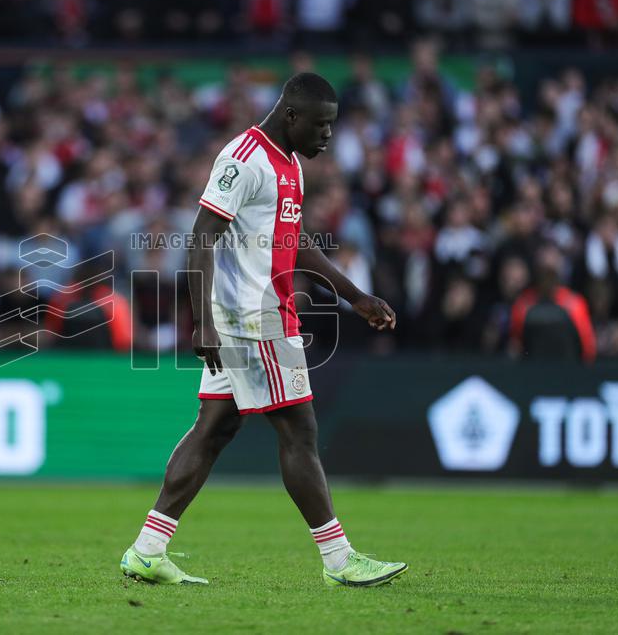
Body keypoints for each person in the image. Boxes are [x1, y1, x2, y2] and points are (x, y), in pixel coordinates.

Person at [119, 73, 407, 588]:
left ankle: (147, 549)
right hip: (253, 317)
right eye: (320, 125)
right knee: (300, 431)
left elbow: (294, 244)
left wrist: (356, 297)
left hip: (257, 314)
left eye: (331, 127)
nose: (326, 136)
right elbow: (201, 237)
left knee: (214, 430)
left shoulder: (290, 162)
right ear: (292, 116)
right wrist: (202, 319)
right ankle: (339, 559)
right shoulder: (244, 159)